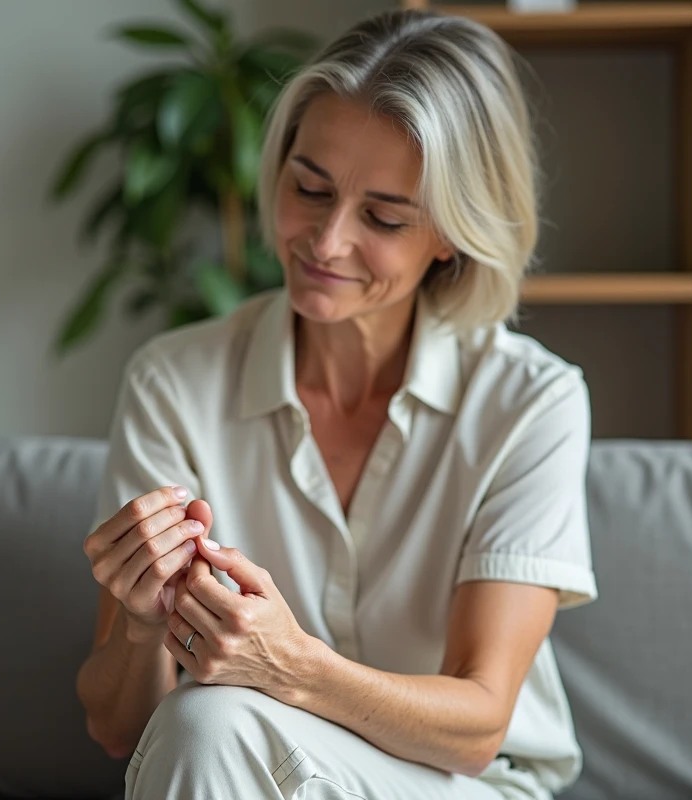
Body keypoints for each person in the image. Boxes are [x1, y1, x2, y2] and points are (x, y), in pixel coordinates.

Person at [77, 8, 597, 799]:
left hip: (468, 787)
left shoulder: (532, 402)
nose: (324, 243)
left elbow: (482, 722)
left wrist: (292, 666)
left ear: (453, 233)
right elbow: (117, 728)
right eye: (308, 189)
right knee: (203, 726)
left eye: (384, 217)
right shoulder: (174, 383)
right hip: (241, 769)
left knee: (215, 722)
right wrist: (142, 626)